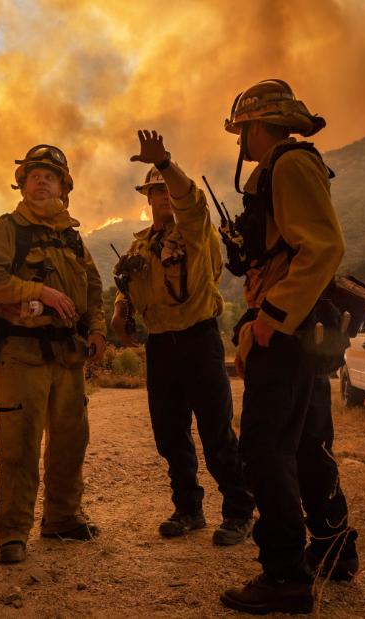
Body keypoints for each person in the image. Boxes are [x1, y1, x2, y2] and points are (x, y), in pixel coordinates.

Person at [216, 81, 359, 615]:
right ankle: (334, 550)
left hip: (287, 330)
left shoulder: (290, 163)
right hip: (296, 330)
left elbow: (322, 246)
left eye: (241, 130)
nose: (240, 141)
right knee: (306, 444)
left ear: (257, 125)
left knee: (263, 449)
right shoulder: (285, 165)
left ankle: (284, 577)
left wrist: (269, 321)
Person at [111, 130, 254, 546]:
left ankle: (239, 512)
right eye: (157, 192)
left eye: (168, 190)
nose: (164, 197)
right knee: (170, 435)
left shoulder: (194, 231)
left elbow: (191, 201)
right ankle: (188, 509)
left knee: (216, 434)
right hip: (160, 347)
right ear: (148, 199)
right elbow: (129, 287)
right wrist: (121, 312)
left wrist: (165, 163)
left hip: (198, 341)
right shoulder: (141, 245)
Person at [0, 144, 106, 564]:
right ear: (22, 183)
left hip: (68, 358)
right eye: (34, 174)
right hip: (22, 355)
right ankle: (12, 533)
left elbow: (94, 287)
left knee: (70, 441)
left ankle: (63, 518)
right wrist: (38, 291)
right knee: (19, 445)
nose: (42, 180)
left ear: (64, 186)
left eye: (50, 175)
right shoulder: (7, 230)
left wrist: (98, 329)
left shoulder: (73, 236)